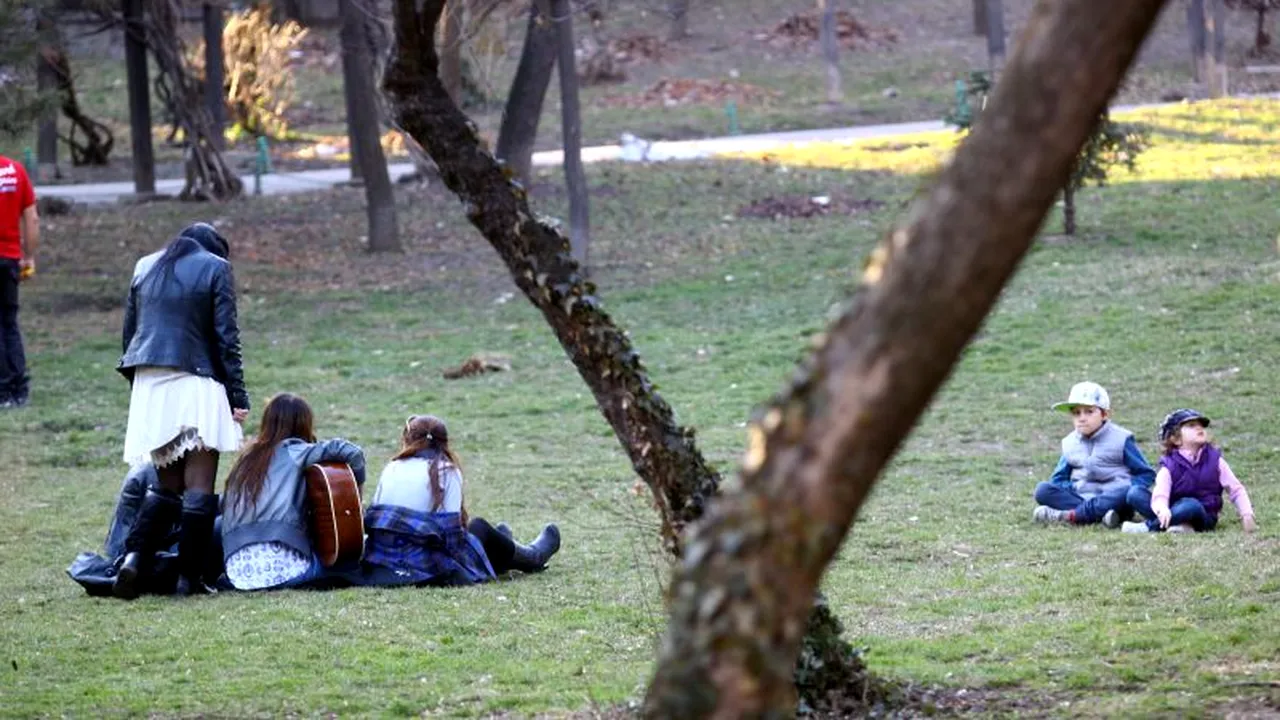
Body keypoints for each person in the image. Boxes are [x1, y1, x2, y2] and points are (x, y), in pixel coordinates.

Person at [113, 222, 249, 599]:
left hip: (150, 381)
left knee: (167, 484)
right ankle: (189, 579)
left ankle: (133, 561)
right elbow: (227, 338)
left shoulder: (145, 265)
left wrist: (143, 391)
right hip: (196, 375)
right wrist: (237, 395)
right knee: (199, 485)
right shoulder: (216, 267)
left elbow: (129, 335)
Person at [362, 414, 561, 586]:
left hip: (383, 559)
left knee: (482, 536)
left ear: (407, 439)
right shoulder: (446, 470)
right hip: (426, 567)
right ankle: (532, 557)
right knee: (480, 528)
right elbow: (453, 540)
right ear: (444, 441)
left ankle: (500, 546)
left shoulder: (392, 467)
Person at [221, 393, 368, 590]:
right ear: (304, 423)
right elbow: (353, 452)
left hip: (237, 574)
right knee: (346, 563)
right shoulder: (294, 451)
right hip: (285, 570)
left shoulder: (245, 460)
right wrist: (356, 499)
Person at [1032, 381, 1155, 528]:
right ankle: (1101, 516)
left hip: (1114, 498)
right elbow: (1058, 479)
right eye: (1076, 413)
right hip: (1082, 497)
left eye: (1089, 412)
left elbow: (1146, 474)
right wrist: (1074, 487)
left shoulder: (1122, 438)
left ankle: (1070, 516)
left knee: (1127, 492)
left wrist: (1128, 489)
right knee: (1042, 490)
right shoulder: (1069, 443)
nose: (1082, 418)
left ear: (1104, 414)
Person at [1122, 409, 1257, 534]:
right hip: (1172, 509)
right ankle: (1178, 525)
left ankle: (1149, 526)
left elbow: (1236, 489)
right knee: (1135, 493)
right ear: (1175, 439)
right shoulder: (1169, 465)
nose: (1199, 428)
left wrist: (1246, 513)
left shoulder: (1215, 460)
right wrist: (1162, 509)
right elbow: (1161, 493)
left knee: (1191, 505)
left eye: (1201, 425)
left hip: (1203, 514)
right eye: (1191, 425)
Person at [0, 154, 39, 408]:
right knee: (9, 322)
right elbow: (32, 218)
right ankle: (19, 388)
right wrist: (29, 256)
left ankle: (2, 391)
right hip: (10, 259)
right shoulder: (15, 170)